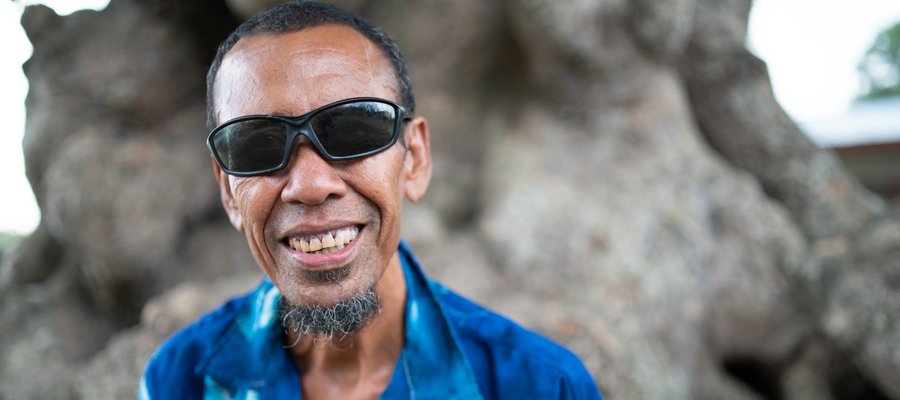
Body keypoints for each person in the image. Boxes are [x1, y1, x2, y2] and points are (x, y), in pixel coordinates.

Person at [138, 2, 602, 399]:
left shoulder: (541, 386)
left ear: (414, 160)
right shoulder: (177, 382)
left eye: (354, 130)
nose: (310, 184)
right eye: (257, 145)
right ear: (228, 192)